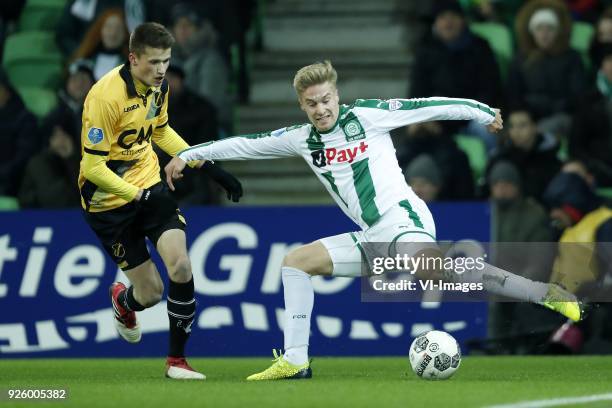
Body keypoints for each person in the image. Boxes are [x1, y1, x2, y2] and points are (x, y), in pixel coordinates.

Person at [166, 61, 584, 380]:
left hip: (403, 217)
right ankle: (296, 361)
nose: (321, 108)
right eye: (311, 103)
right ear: (302, 105)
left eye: (326, 99)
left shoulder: (367, 115)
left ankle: (542, 292)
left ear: (337, 94)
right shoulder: (302, 139)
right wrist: (189, 154)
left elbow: (426, 107)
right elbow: (248, 144)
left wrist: (479, 111)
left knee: (430, 269)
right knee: (295, 262)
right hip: (372, 235)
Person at [78, 22, 242, 380]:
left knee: (181, 266)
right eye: (153, 62)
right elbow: (92, 167)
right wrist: (136, 194)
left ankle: (176, 362)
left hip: (150, 184)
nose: (161, 70)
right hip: (109, 204)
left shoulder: (158, 87)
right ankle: (124, 301)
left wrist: (207, 165)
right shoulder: (105, 97)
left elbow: (161, 130)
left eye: (166, 61)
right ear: (133, 58)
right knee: (150, 293)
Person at [508, 0, 586, 138]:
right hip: (527, 117)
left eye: (549, 29)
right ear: (532, 31)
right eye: (539, 29)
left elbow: (577, 96)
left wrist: (552, 107)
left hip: (560, 116)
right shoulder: (520, 59)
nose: (544, 34)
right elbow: (513, 94)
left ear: (557, 32)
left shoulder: (571, 57)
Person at [486, 107, 561, 203]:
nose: (516, 131)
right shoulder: (500, 158)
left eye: (522, 125)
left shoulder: (550, 158)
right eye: (512, 126)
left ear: (535, 127)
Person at [18, 109, 81, 208]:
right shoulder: (38, 164)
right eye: (56, 136)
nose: (61, 141)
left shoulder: (85, 162)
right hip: (44, 219)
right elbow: (53, 198)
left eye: (64, 135)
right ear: (48, 139)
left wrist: (71, 159)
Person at [70, 8, 129, 81]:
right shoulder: (82, 63)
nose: (113, 33)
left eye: (119, 29)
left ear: (126, 34)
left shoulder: (132, 65)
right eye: (109, 27)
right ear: (100, 30)